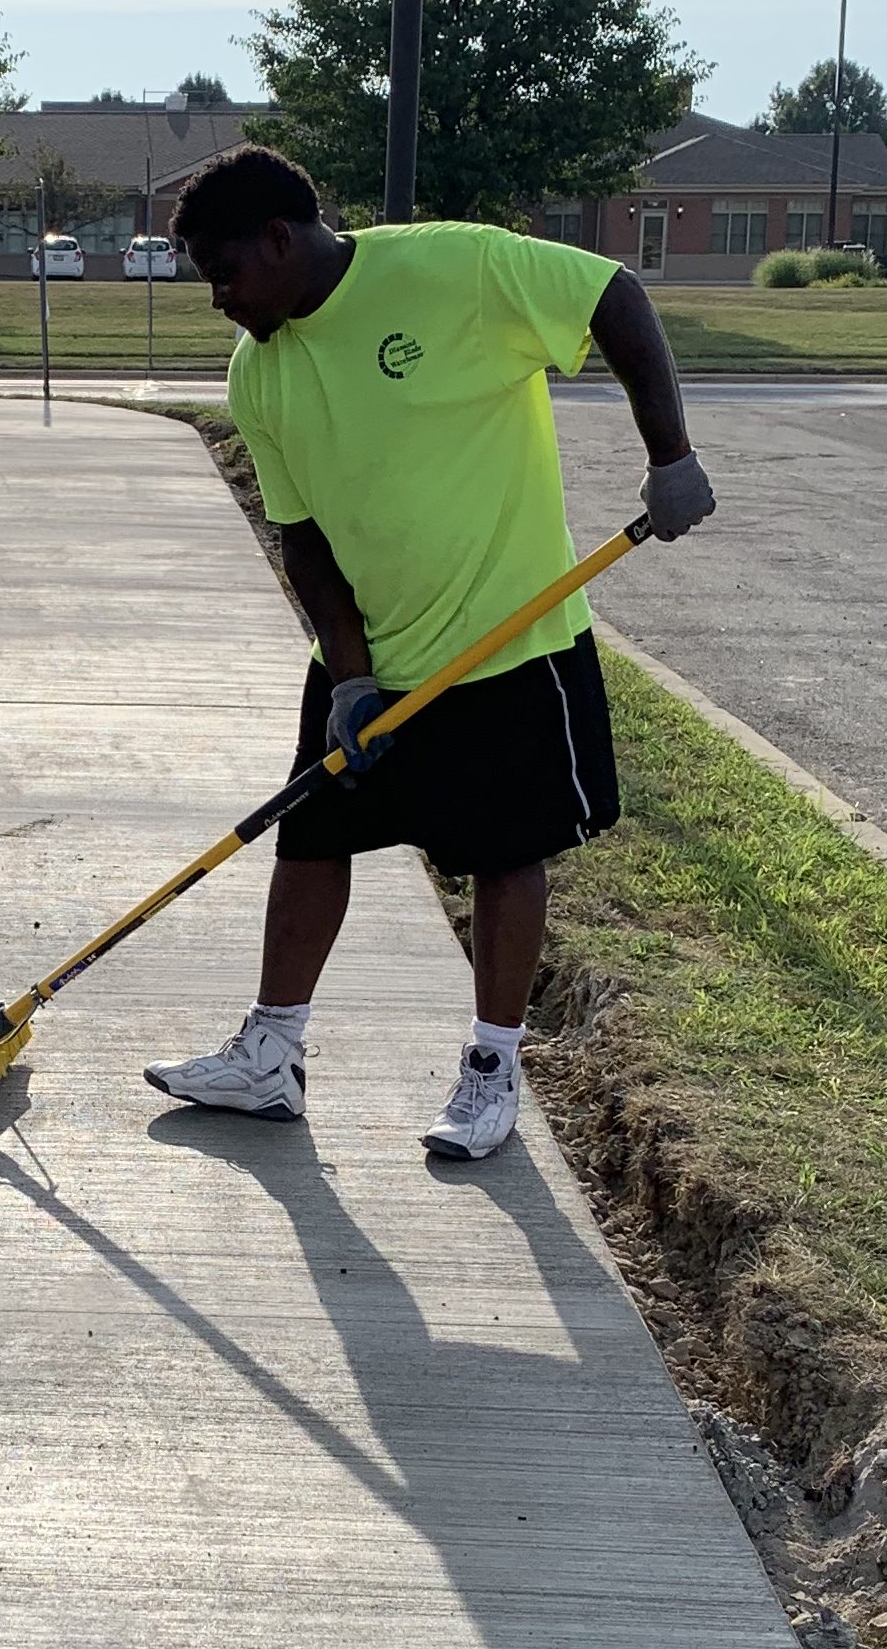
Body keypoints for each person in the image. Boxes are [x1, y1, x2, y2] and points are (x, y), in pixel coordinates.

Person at [143, 143, 715, 1163]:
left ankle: (493, 1072)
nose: (218, 298)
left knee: (503, 857)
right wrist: (350, 673)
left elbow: (612, 294)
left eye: (225, 273)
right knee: (310, 842)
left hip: (507, 647)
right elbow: (305, 538)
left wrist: (670, 456)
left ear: (280, 240)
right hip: (377, 653)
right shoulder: (258, 374)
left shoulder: (457, 271)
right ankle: (270, 1056)